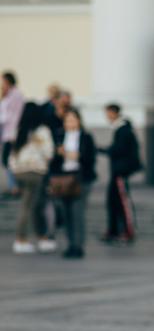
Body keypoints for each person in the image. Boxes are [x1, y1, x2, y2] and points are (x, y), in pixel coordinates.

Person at [49, 108, 97, 259]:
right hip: (63, 178)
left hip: (80, 178)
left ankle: (78, 245)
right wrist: (59, 154)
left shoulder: (86, 137)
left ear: (78, 120)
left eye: (72, 119)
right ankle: (70, 244)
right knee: (65, 212)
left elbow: (90, 159)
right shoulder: (59, 136)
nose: (69, 123)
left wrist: (77, 156)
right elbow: (53, 161)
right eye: (67, 120)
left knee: (77, 212)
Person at [7, 103, 54, 254]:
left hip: (19, 171)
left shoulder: (19, 129)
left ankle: (37, 237)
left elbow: (10, 153)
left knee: (29, 204)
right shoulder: (42, 131)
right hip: (35, 172)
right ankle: (25, 238)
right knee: (32, 206)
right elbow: (48, 152)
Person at [99, 104, 142, 244]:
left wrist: (104, 150)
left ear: (113, 112)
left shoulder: (123, 130)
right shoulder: (122, 129)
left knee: (122, 201)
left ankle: (127, 231)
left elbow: (120, 149)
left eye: (108, 113)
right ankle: (113, 230)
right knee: (113, 200)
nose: (107, 116)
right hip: (118, 171)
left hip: (120, 171)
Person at [1, 71, 26, 196]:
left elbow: (10, 115)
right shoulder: (9, 95)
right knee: (7, 159)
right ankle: (14, 186)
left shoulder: (16, 95)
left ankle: (15, 186)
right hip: (6, 131)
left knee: (8, 159)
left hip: (12, 131)